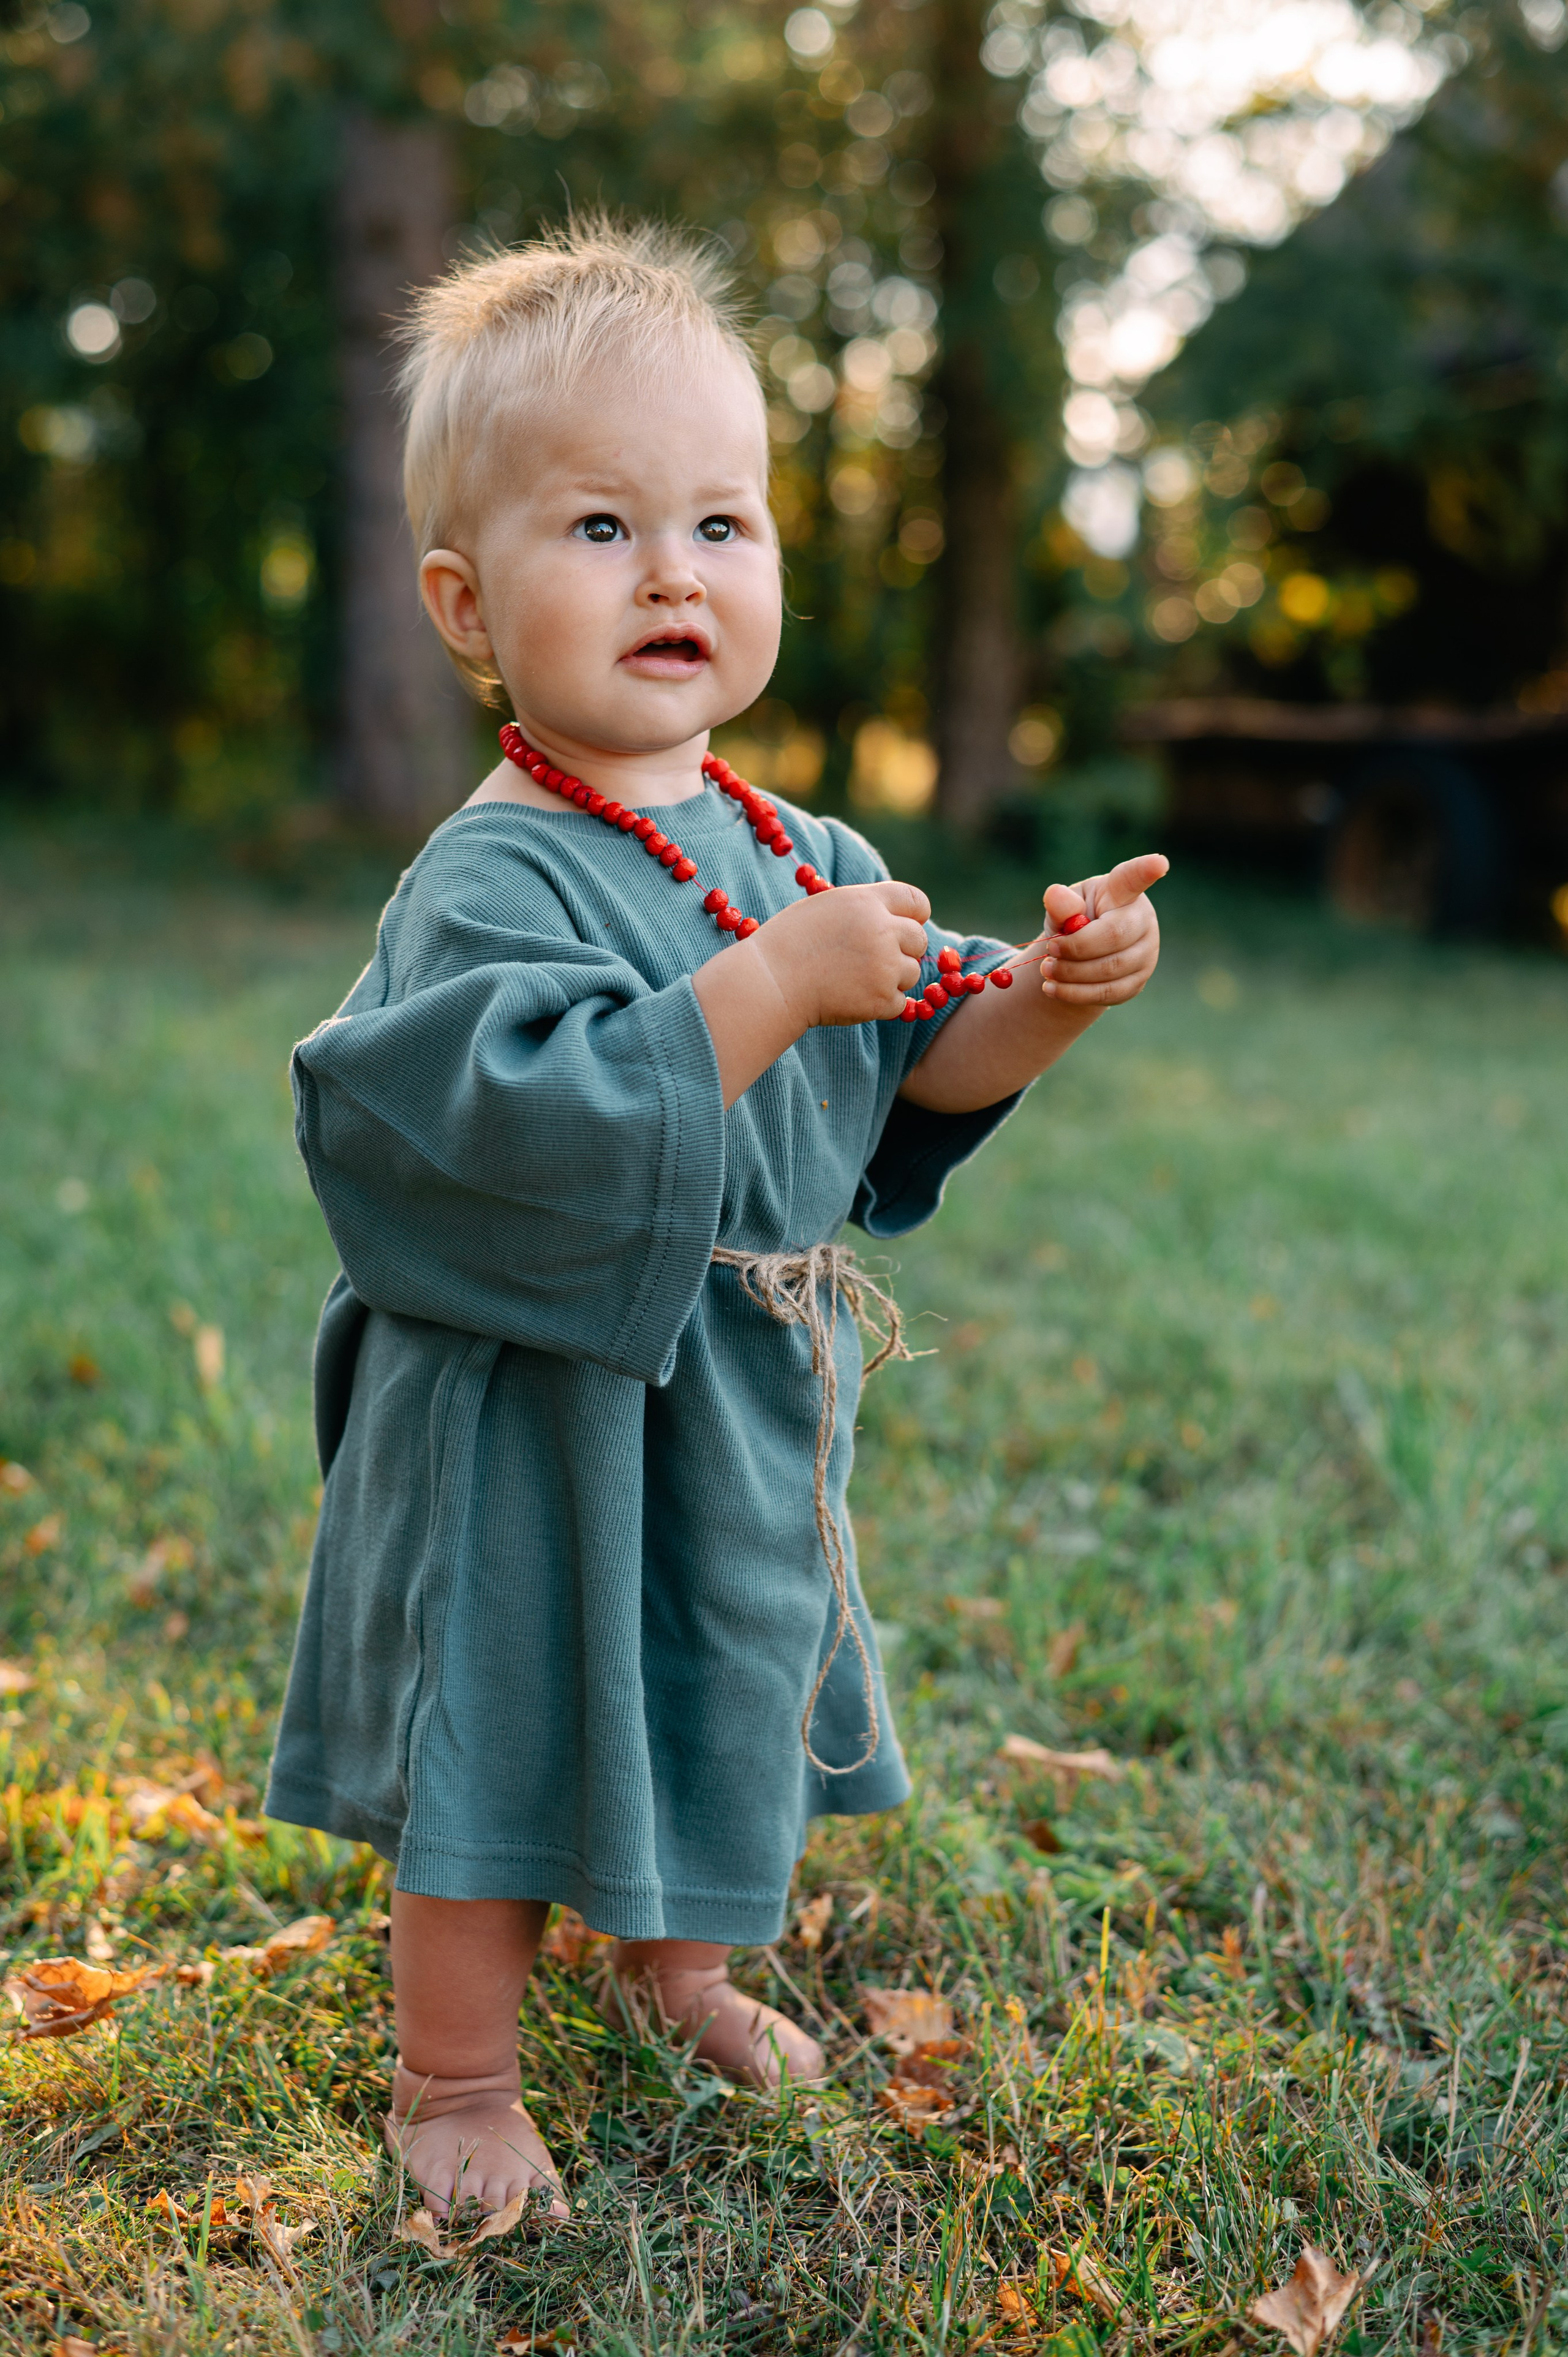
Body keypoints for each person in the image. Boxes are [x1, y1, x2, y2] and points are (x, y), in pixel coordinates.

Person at [264, 214, 1167, 2227]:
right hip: (532, 1402)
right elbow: (487, 1119)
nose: (673, 570)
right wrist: (773, 985)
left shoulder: (805, 848)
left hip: (732, 1387)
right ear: (467, 602)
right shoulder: (494, 877)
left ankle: (679, 1954)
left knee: (712, 1670)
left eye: (722, 524)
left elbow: (894, 1084)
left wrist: (1042, 1001)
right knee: (503, 1705)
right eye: (598, 527)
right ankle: (456, 2073)